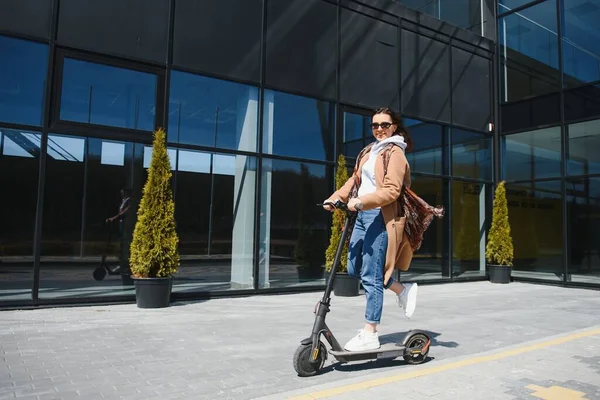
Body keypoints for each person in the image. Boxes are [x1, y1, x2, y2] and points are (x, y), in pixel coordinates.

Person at [323, 107, 418, 352]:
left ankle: (370, 332)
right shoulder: (369, 151)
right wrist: (335, 198)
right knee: (355, 267)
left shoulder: (395, 153)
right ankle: (400, 289)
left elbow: (392, 191)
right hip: (362, 215)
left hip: (380, 215)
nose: (379, 129)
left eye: (384, 125)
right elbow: (354, 180)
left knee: (371, 276)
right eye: (374, 125)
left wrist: (362, 202)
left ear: (394, 126)